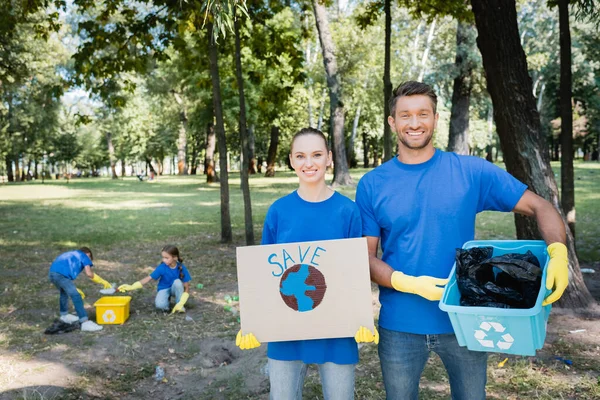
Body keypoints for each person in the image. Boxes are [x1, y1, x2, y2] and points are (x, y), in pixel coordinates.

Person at [355, 81, 569, 400]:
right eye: (405, 115)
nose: (415, 123)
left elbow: (541, 206)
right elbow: (364, 257)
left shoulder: (469, 172)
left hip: (466, 321)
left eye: (423, 114)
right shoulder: (372, 184)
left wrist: (559, 252)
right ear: (392, 121)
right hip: (399, 324)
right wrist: (406, 282)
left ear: (436, 118)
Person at [236, 127, 378, 400]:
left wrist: (361, 316)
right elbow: (265, 274)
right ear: (291, 160)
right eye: (300, 156)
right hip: (286, 327)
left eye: (316, 155)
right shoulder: (279, 211)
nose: (308, 163)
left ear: (329, 158)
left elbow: (355, 274)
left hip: (337, 329)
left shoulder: (347, 211)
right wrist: (253, 320)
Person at [48, 247, 113, 332]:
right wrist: (103, 282)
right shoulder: (84, 256)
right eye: (90, 258)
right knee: (76, 295)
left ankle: (64, 315)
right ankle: (85, 322)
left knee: (63, 293)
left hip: (52, 273)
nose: (89, 261)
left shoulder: (71, 254)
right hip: (60, 275)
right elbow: (89, 274)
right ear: (88, 255)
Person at [118, 245, 191, 313]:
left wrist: (182, 302)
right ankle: (166, 303)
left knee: (177, 282)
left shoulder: (181, 267)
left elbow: (186, 287)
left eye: (166, 258)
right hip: (164, 288)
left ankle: (179, 306)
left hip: (175, 288)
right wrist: (132, 286)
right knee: (160, 306)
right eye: (163, 257)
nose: (164, 260)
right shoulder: (162, 267)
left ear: (175, 257)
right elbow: (149, 278)